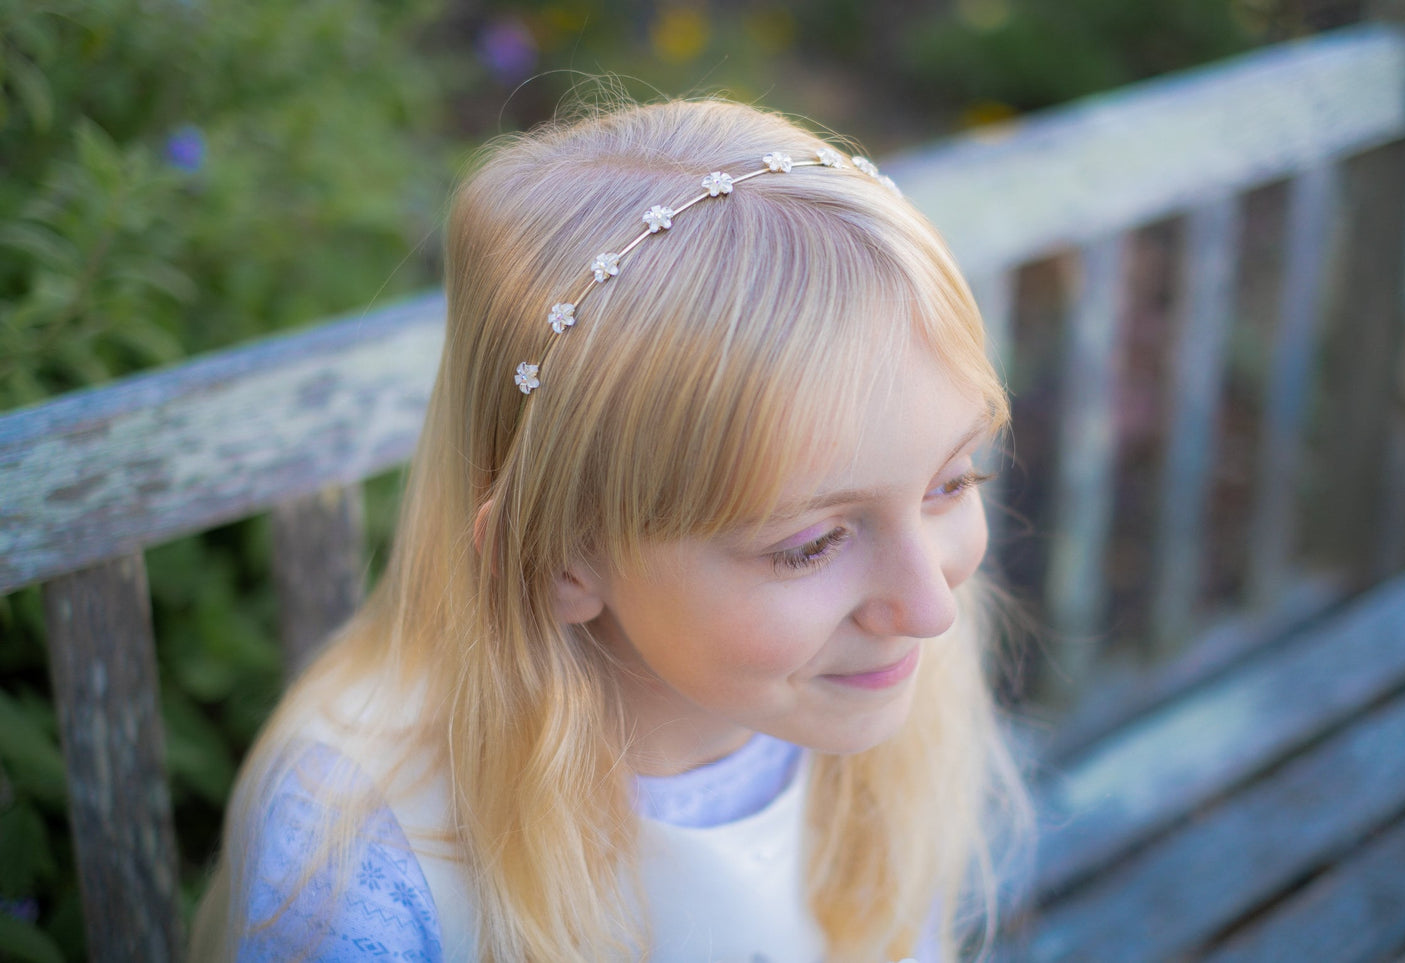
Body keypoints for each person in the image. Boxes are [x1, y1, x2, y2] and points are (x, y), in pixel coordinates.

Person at [190, 97, 1032, 963]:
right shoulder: (367, 849)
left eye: (952, 481)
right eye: (808, 545)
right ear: (555, 555)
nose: (932, 607)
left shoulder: (873, 681)